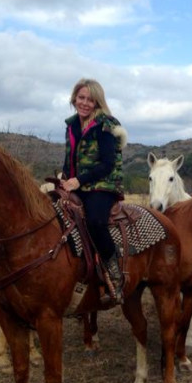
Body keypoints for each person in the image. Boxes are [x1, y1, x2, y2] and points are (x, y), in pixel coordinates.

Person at [61, 78, 127, 305]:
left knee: (96, 221)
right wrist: (63, 180)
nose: (85, 103)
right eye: (81, 98)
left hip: (103, 185)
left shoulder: (106, 124)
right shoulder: (72, 125)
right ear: (74, 98)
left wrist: (79, 181)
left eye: (91, 99)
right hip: (78, 182)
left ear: (98, 102)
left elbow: (108, 163)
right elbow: (69, 159)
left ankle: (114, 270)